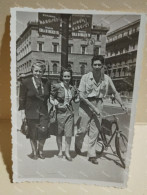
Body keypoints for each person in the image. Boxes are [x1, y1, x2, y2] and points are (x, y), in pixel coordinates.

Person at [75, 55, 126, 164]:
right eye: (95, 64)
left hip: (99, 104)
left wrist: (122, 104)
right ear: (92, 65)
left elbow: (115, 92)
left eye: (99, 65)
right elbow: (81, 96)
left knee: (95, 131)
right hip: (86, 105)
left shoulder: (107, 78)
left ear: (102, 65)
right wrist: (93, 107)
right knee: (82, 130)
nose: (97, 67)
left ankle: (92, 155)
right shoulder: (85, 77)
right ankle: (77, 144)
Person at [18, 61, 51, 160]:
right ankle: (34, 151)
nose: (38, 73)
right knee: (33, 133)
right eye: (36, 71)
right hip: (30, 111)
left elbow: (49, 96)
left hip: (43, 111)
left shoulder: (46, 82)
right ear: (32, 71)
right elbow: (22, 98)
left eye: (40, 71)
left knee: (43, 132)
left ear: (43, 72)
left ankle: (40, 151)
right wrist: (22, 113)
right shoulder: (25, 82)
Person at [50, 68, 79, 161]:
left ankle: (67, 152)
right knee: (59, 133)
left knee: (68, 134)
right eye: (65, 76)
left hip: (70, 113)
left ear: (71, 77)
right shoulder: (57, 86)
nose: (67, 78)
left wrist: (79, 97)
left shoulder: (72, 88)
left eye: (68, 76)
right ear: (62, 77)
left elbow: (76, 100)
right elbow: (51, 98)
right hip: (59, 113)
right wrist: (57, 104)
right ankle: (60, 151)